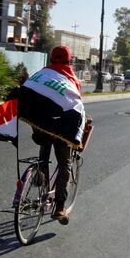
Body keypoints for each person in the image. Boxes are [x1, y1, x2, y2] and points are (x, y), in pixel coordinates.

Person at [32, 46, 83, 225]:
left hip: (40, 125)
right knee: (65, 164)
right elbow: (76, 107)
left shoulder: (41, 74)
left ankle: (40, 180)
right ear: (69, 61)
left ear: (51, 58)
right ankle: (60, 206)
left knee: (43, 156)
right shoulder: (72, 79)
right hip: (60, 130)